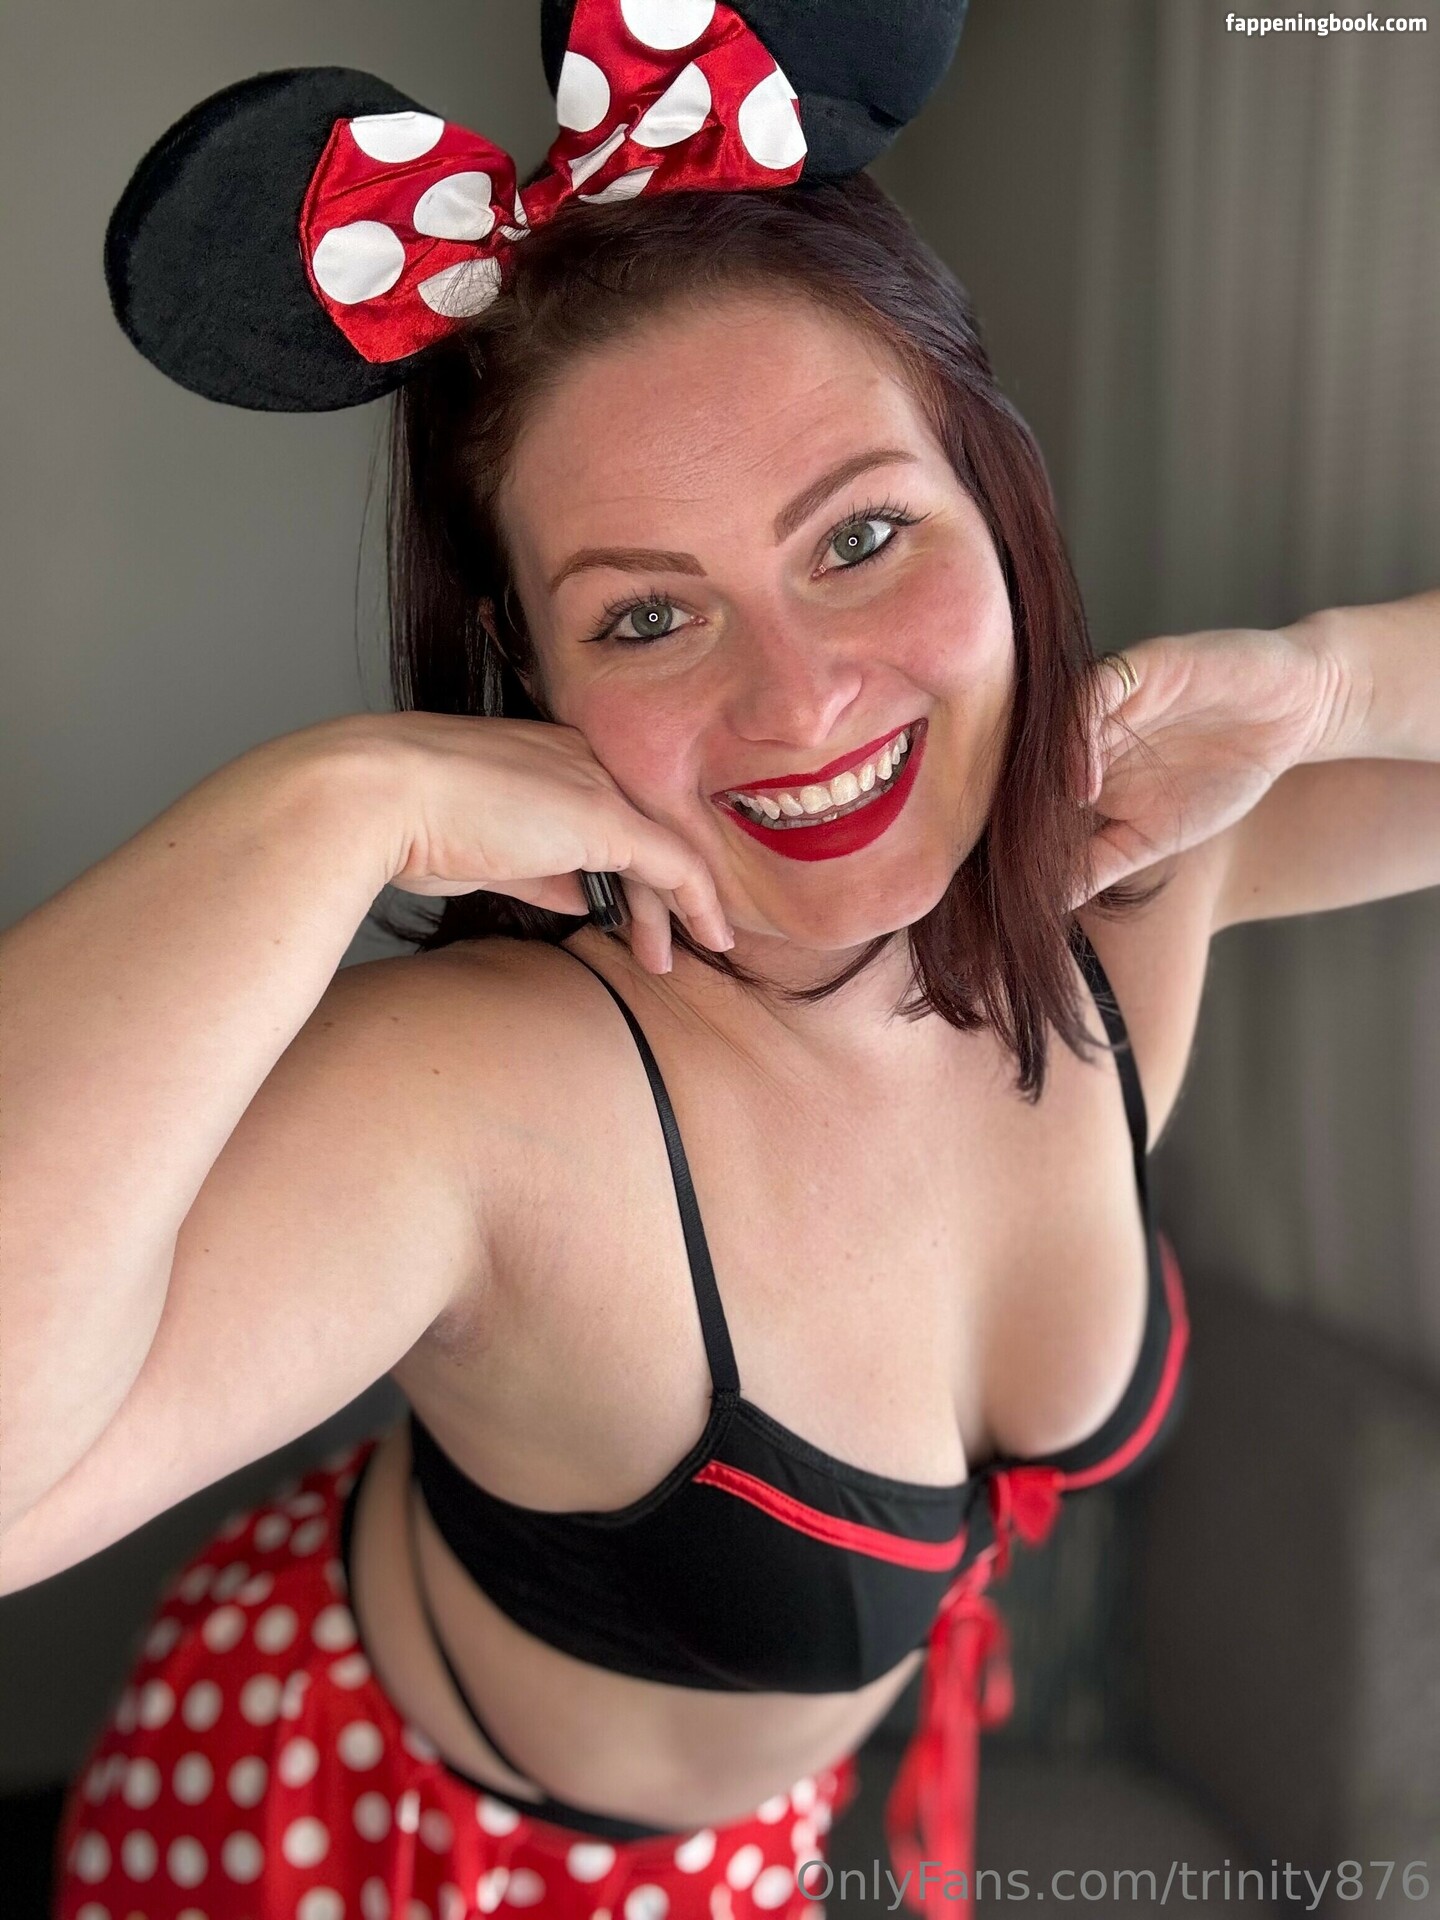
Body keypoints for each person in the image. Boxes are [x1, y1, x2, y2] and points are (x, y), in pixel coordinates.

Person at [6, 3, 1437, 1917]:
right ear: (525, 674)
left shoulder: (1123, 874)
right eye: (647, 618)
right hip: (368, 1837)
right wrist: (330, 804)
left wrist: (1327, 683)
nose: (801, 698)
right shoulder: (486, 1092)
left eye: (861, 535)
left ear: (998, 497)